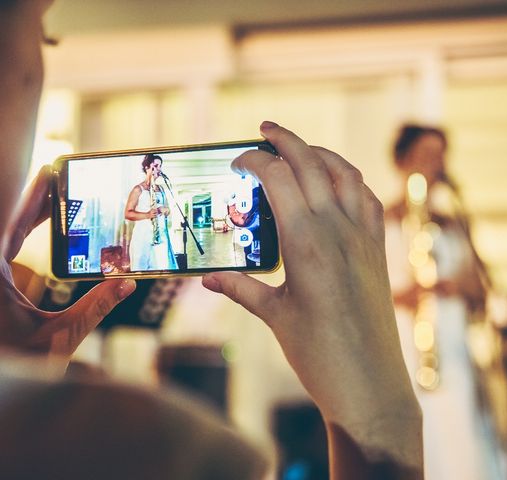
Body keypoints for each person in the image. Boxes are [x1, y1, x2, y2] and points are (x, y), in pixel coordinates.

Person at [0, 2, 423, 479]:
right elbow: (131, 212)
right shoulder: (151, 445)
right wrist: (382, 417)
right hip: (145, 237)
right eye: (44, 35)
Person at [386, 124, 507, 480]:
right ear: (402, 160)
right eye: (426, 155)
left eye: (440, 156)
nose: (435, 164)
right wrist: (404, 295)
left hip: (451, 349)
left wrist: (457, 286)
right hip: (405, 349)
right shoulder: (381, 220)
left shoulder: (454, 225)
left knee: (460, 436)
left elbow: (481, 291)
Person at [125, 154, 178, 271]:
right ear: (147, 168)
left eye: (160, 166)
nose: (159, 169)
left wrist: (165, 210)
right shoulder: (138, 189)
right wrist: (147, 215)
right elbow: (128, 213)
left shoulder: (161, 189)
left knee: (162, 269)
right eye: (156, 165)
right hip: (143, 236)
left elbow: (167, 209)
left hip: (161, 236)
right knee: (140, 269)